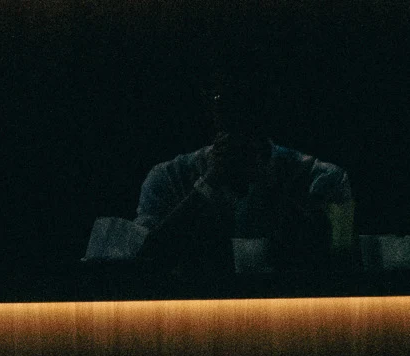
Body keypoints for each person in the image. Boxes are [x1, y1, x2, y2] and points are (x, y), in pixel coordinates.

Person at [136, 78, 351, 272]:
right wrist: (209, 183)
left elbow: (335, 262)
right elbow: (144, 260)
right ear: (208, 105)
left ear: (269, 101)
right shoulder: (169, 176)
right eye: (223, 97)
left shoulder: (322, 177)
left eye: (248, 97)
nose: (236, 109)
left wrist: (265, 185)